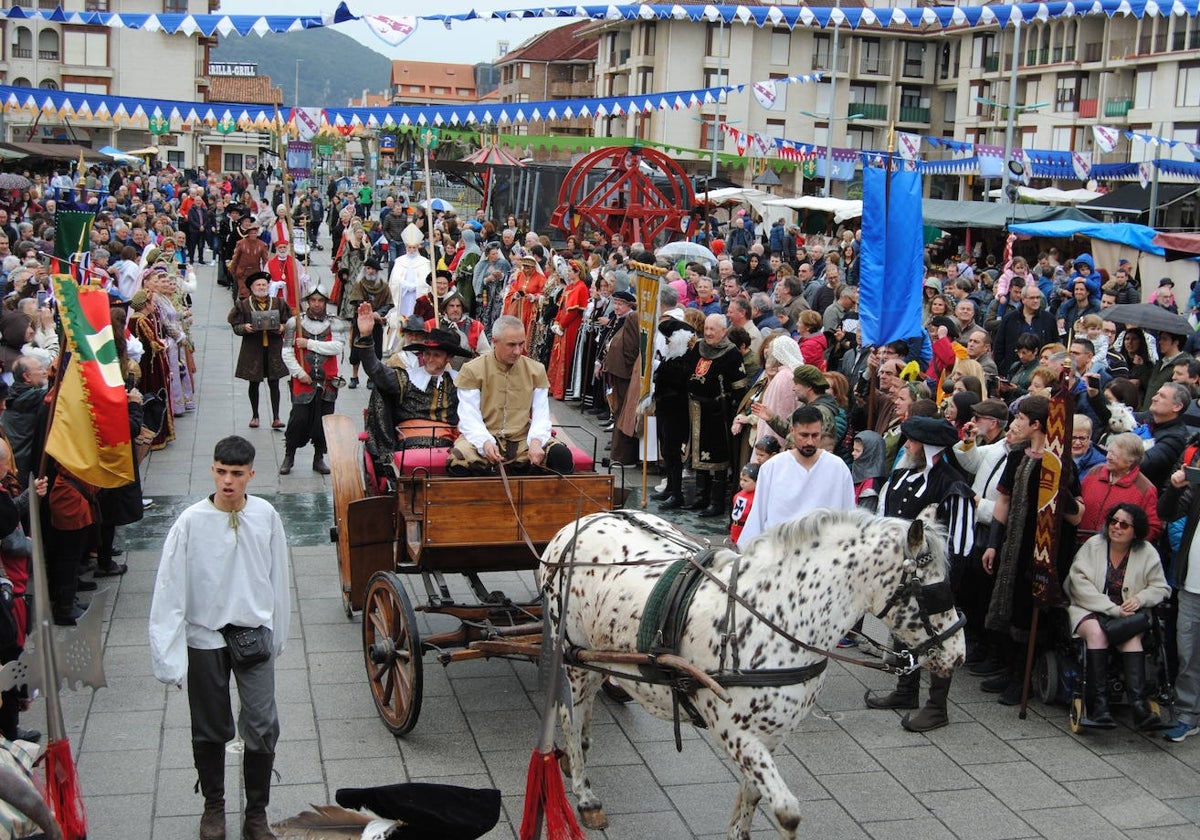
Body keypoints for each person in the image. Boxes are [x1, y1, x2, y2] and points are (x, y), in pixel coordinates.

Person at [148, 436, 290, 840]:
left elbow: (278, 577)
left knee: (263, 723)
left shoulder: (265, 515)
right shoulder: (190, 522)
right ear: (213, 470)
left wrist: (278, 633)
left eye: (237, 474)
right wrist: (169, 656)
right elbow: (169, 589)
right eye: (222, 472)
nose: (228, 481)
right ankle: (214, 806)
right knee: (210, 728)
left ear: (250, 475)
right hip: (204, 636)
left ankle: (256, 814)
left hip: (253, 635)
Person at [865, 416, 976, 732]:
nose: (907, 446)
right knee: (903, 628)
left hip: (935, 580)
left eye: (912, 441)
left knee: (940, 638)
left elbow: (961, 543)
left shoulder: (952, 486)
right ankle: (905, 690)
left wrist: (944, 588)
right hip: (901, 576)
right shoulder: (900, 477)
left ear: (929, 447)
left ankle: (937, 708)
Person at [980, 396, 1084, 705]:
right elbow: (1004, 502)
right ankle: (1010, 667)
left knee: (1031, 610)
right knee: (1011, 607)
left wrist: (1058, 489)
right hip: (1015, 544)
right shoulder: (1016, 457)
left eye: (1021, 419)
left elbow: (1076, 513)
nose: (1015, 425)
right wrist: (993, 544)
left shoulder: (1059, 463)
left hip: (1042, 548)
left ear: (1036, 424)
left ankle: (1023, 677)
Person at [1064, 502, 1170, 730]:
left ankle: (1140, 707)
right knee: (1096, 633)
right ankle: (1099, 706)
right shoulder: (1094, 545)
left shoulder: (1147, 552)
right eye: (1114, 521)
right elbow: (1077, 583)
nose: (1117, 527)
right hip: (1090, 608)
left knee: (1132, 638)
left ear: (1135, 531)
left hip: (1126, 614)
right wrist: (1112, 608)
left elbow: (1161, 588)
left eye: (1124, 524)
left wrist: (1140, 599)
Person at [447, 314, 574, 476]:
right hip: (483, 437)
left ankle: (549, 500)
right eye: (511, 345)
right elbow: (469, 417)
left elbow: (541, 414)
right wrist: (485, 442)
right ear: (495, 342)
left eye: (521, 344)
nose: (518, 351)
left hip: (523, 440)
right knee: (459, 460)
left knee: (560, 456)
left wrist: (536, 442)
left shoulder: (536, 370)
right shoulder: (472, 370)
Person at [356, 303, 465, 468]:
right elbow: (375, 370)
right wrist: (366, 336)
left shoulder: (459, 383)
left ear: (448, 357)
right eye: (427, 354)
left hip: (448, 446)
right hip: (408, 445)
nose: (429, 359)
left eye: (436, 355)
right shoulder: (405, 378)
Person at [736, 405, 855, 547]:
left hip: (823, 554)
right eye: (804, 435)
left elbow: (848, 516)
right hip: (780, 551)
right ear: (792, 431)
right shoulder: (772, 467)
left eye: (815, 435)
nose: (810, 442)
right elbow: (758, 515)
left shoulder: (838, 468)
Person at [685, 314, 749, 517]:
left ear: (723, 331)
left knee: (717, 457)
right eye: (706, 328)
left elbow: (739, 388)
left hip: (717, 412)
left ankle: (716, 501)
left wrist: (732, 411)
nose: (709, 333)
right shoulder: (699, 347)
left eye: (713, 329)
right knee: (697, 454)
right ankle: (700, 496)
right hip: (696, 409)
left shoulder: (731, 354)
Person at [279, 283, 347, 476]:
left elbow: (337, 347)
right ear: (307, 302)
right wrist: (300, 373)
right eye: (313, 300)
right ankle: (289, 455)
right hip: (303, 380)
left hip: (328, 381)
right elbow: (286, 352)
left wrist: (308, 343)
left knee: (324, 422)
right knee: (298, 420)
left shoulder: (336, 323)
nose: (316, 304)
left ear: (325, 302)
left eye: (320, 300)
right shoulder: (295, 323)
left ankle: (319, 457)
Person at [229, 273, 290, 430]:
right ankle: (255, 415)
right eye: (258, 285)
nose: (262, 287)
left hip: (273, 348)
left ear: (268, 286)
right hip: (253, 349)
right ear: (252, 288)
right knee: (253, 382)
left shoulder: (279, 303)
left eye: (264, 285)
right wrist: (244, 328)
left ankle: (276, 417)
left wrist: (283, 327)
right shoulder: (243, 305)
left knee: (274, 382)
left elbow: (289, 322)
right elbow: (235, 326)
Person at [344, 257, 393, 389]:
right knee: (356, 350)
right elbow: (357, 300)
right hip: (360, 321)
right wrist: (370, 313)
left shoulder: (383, 286)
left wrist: (380, 314)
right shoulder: (359, 284)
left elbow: (388, 303)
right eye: (368, 268)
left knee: (376, 350)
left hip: (376, 324)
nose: (370, 271)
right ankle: (354, 376)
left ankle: (372, 377)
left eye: (373, 269)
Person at [730, 462, 757, 545]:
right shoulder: (738, 495)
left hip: (747, 530)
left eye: (746, 480)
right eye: (741, 479)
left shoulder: (757, 498)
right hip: (735, 528)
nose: (742, 483)